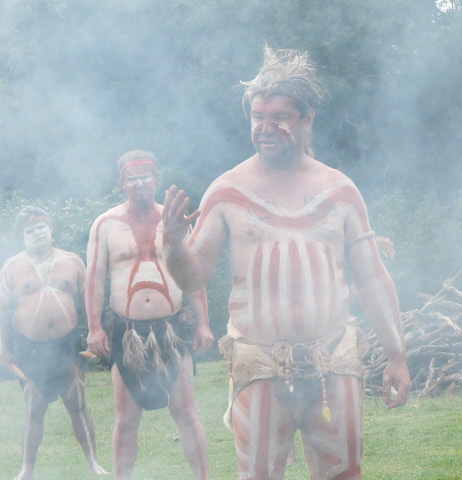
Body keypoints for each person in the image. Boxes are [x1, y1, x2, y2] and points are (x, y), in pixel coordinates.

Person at [162, 46, 411, 479]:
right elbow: (195, 273)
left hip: (333, 358)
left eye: (279, 117)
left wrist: (397, 354)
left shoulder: (340, 190)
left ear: (307, 119)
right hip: (259, 361)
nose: (266, 128)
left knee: (344, 475)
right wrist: (172, 247)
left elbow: (371, 277)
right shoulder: (226, 191)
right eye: (258, 117)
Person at [85, 150, 214, 480]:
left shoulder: (173, 221)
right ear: (122, 183)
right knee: (126, 419)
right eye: (132, 177)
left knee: (186, 412)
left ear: (156, 180)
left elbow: (193, 274)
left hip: (172, 329)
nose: (139, 182)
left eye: (145, 176)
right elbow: (94, 279)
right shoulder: (105, 224)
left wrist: (204, 324)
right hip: (127, 334)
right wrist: (95, 328)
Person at [0, 206, 107, 480]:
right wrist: (3, 348)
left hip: (67, 345)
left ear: (50, 228)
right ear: (21, 236)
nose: (36, 233)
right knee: (34, 407)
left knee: (78, 403)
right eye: (29, 230)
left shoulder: (72, 261)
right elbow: (2, 311)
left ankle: (93, 463)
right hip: (29, 348)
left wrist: (97, 332)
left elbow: (90, 301)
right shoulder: (12, 267)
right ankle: (27, 469)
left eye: (40, 227)